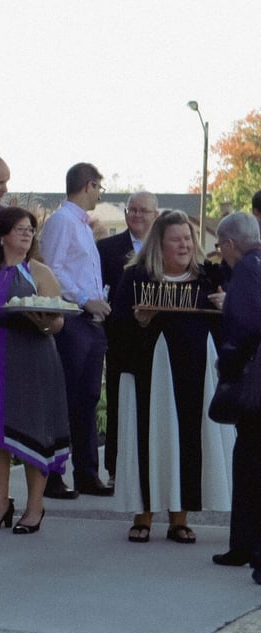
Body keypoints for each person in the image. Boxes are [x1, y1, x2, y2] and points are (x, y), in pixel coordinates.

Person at [109, 210, 233, 544]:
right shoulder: (136, 277)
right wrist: (140, 321)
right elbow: (117, 327)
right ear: (159, 244)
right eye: (176, 239)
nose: (184, 245)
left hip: (196, 369)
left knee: (190, 436)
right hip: (152, 370)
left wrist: (227, 305)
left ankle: (181, 518)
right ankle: (144, 515)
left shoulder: (209, 275)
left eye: (188, 238)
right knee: (152, 434)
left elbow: (234, 322)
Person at [0, 207, 71, 534]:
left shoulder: (40, 272)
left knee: (34, 429)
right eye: (20, 228)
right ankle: (1, 504)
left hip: (32, 358)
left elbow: (58, 318)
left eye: (30, 230)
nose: (27, 234)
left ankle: (35, 507)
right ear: (2, 235)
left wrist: (47, 325)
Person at [39, 162, 115, 499]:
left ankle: (87, 473)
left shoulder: (83, 225)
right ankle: (54, 475)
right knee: (66, 399)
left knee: (87, 399)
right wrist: (86, 300)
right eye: (99, 187)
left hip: (92, 321)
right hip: (71, 320)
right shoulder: (62, 221)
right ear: (89, 185)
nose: (100, 193)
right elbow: (52, 271)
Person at [98, 191, 159, 484]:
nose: (135, 215)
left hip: (160, 339)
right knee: (119, 402)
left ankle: (153, 466)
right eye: (131, 210)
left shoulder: (166, 248)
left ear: (155, 216)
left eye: (142, 211)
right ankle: (115, 468)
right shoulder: (107, 248)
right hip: (120, 336)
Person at [212, 212, 261, 574]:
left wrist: (226, 367)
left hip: (254, 383)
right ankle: (243, 546)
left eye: (219, 246)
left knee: (249, 464)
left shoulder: (245, 269)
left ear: (229, 244)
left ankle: (248, 548)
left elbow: (244, 325)